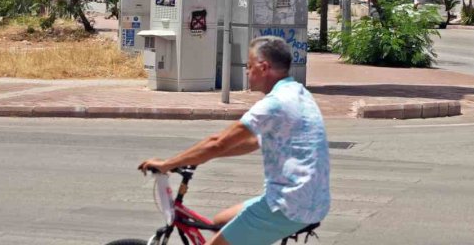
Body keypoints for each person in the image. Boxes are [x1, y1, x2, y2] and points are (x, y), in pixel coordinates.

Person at [138, 36, 330, 245]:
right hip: (313, 200)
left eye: (249, 66)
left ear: (263, 67)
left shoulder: (275, 104)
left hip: (288, 205)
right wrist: (199, 157)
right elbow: (253, 142)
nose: (247, 72)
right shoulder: (299, 93)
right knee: (220, 221)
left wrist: (168, 164)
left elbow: (217, 142)